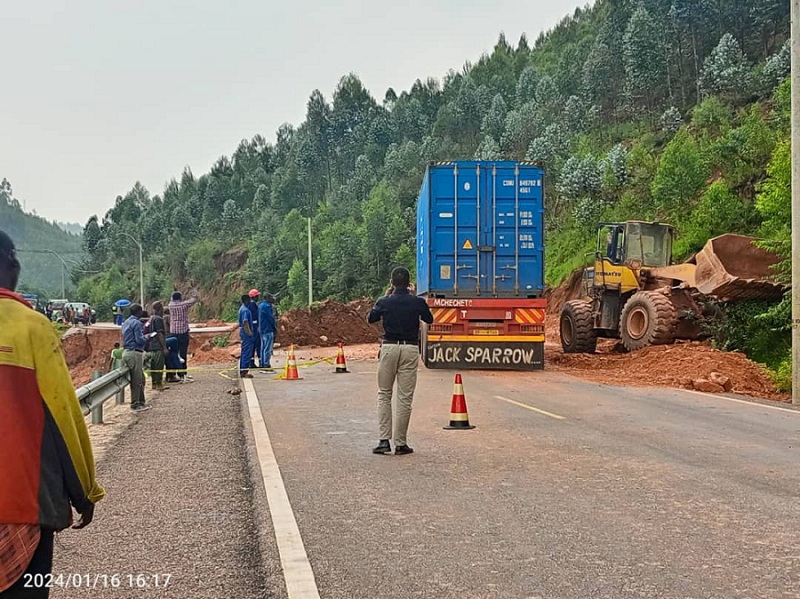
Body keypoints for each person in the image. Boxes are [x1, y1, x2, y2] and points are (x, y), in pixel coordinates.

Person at [0, 230, 104, 598]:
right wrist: (84, 492)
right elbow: (64, 418)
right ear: (12, 262)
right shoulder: (33, 328)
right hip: (22, 506)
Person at [367, 266, 434, 456]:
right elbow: (429, 319)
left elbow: (371, 318)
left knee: (384, 394)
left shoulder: (384, 301)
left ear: (391, 283)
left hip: (389, 347)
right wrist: (413, 298)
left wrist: (386, 297)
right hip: (410, 349)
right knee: (404, 398)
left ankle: (383, 441)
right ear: (409, 283)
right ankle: (401, 443)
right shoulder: (417, 302)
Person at [121, 304, 151, 412]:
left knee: (140, 378)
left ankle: (141, 401)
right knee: (137, 380)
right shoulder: (137, 323)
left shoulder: (125, 322)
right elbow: (139, 340)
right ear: (139, 312)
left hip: (126, 352)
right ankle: (135, 404)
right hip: (135, 353)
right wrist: (147, 337)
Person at [168, 290, 198, 382]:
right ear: (180, 298)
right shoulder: (183, 305)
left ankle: (177, 374)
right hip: (183, 332)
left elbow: (173, 299)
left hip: (173, 332)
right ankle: (183, 374)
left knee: (174, 353)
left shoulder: (170, 305)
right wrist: (194, 292)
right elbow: (194, 299)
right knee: (183, 353)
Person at [145, 301, 169, 392]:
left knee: (153, 366)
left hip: (151, 345)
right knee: (159, 366)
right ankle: (159, 384)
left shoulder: (151, 318)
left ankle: (154, 384)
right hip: (157, 346)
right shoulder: (158, 319)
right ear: (160, 309)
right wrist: (164, 347)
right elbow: (160, 334)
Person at [238, 294, 256, 379]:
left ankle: (243, 370)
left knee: (245, 352)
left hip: (244, 333)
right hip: (246, 334)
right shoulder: (245, 310)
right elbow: (245, 322)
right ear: (246, 300)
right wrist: (250, 333)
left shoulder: (243, 308)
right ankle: (244, 371)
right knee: (247, 352)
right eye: (249, 300)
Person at [258, 292, 277, 369]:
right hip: (268, 329)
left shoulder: (260, 305)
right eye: (271, 297)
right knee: (267, 348)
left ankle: (262, 362)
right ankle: (266, 363)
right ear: (268, 298)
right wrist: (274, 327)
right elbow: (271, 318)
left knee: (263, 347)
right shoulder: (267, 306)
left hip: (262, 329)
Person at [248, 289, 261, 369]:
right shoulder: (253, 305)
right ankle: (259, 362)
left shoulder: (250, 305)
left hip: (253, 327)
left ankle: (251, 361)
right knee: (257, 345)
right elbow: (255, 317)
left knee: (252, 346)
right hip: (255, 328)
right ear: (254, 296)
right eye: (257, 296)